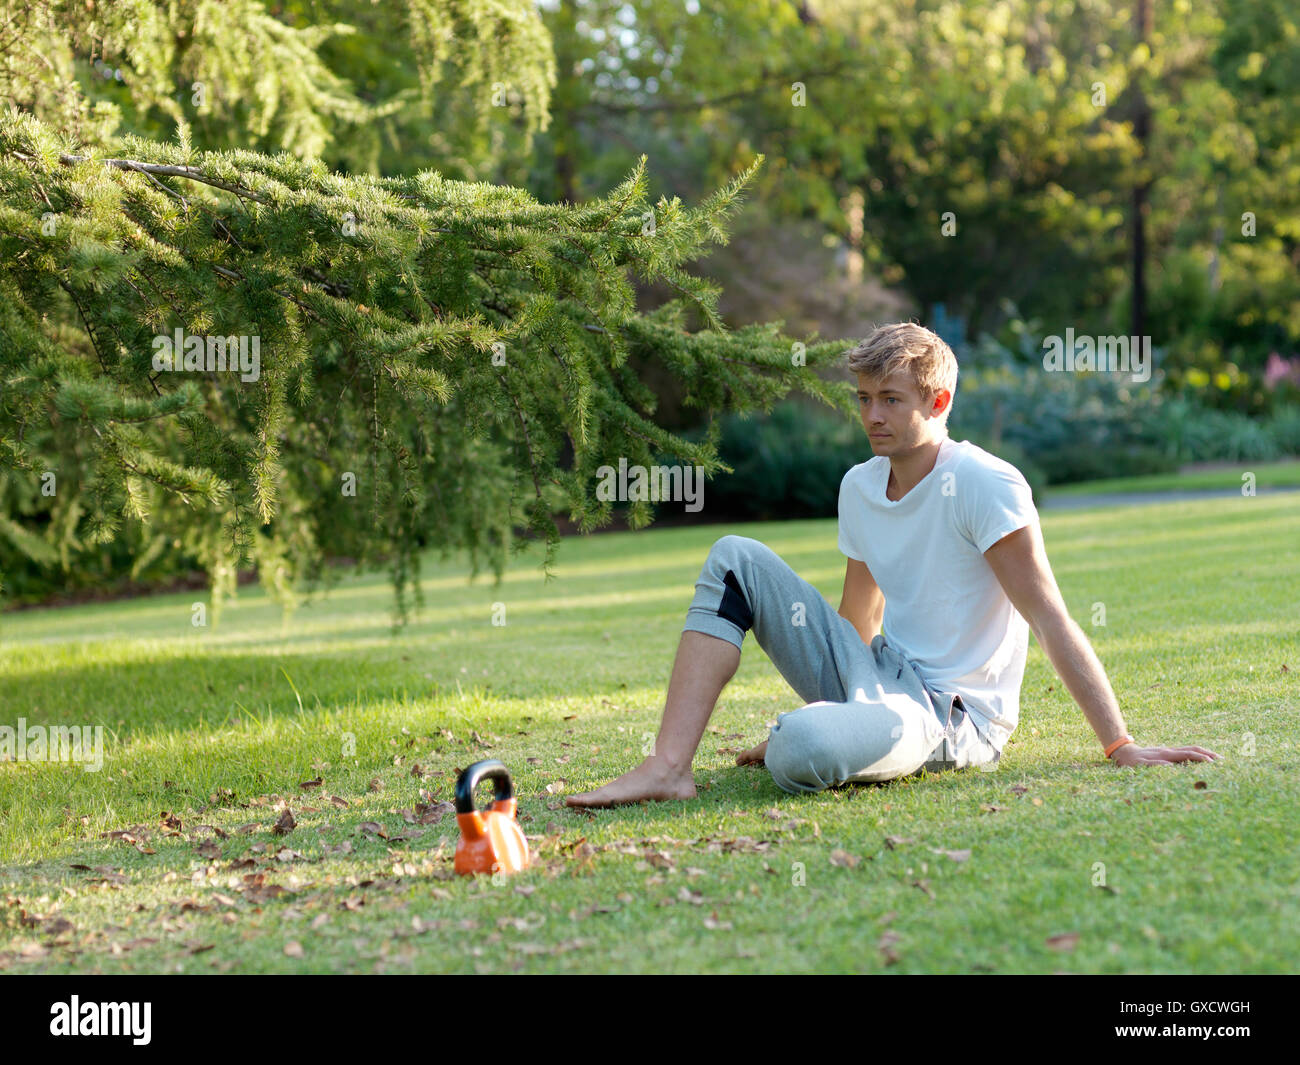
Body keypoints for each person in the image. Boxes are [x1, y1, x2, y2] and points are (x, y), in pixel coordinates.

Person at [566, 323, 1219, 808]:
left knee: (799, 748)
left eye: (891, 399)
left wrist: (1119, 742)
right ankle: (668, 765)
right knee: (734, 557)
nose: (872, 415)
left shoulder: (987, 485)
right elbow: (859, 615)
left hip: (949, 715)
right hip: (879, 673)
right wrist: (849, 706)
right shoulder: (859, 486)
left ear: (938, 403)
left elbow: (1048, 617)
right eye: (863, 398)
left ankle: (826, 733)